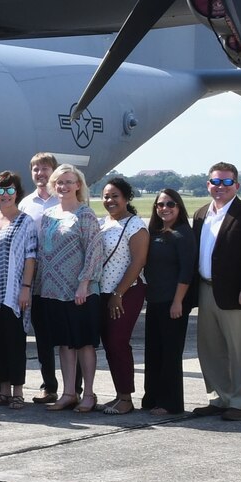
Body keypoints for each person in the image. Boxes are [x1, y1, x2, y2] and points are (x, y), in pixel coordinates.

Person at [192, 163, 241, 421]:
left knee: (239, 350)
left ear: (237, 186)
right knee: (210, 348)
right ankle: (220, 397)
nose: (220, 187)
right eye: (215, 182)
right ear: (208, 184)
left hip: (237, 293)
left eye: (226, 183)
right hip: (206, 288)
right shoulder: (201, 214)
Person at [31, 164, 104, 413]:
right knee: (64, 344)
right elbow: (43, 253)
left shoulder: (85, 215)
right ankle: (68, 392)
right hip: (53, 291)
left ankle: (90, 394)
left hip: (80, 291)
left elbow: (94, 252)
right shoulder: (49, 215)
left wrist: (84, 283)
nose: (63, 186)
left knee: (84, 343)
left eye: (69, 182)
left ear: (78, 185)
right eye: (59, 182)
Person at [0, 170, 36, 407]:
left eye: (10, 190)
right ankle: (1, 390)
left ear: (17, 193)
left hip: (14, 292)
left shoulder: (26, 221)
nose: (5, 195)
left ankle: (18, 391)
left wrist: (25, 288)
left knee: (15, 341)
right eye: (0, 190)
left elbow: (31, 258)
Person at [95, 178, 150, 414]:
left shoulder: (135, 225)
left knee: (118, 342)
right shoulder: (102, 224)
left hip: (127, 291)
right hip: (103, 292)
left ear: (127, 198)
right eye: (106, 196)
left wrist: (119, 293)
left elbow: (138, 262)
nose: (110, 201)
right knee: (109, 345)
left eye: (115, 196)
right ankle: (120, 395)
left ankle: (126, 398)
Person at [141, 188, 198, 418]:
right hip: (154, 301)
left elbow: (187, 271)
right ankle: (152, 397)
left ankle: (171, 402)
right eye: (160, 205)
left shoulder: (183, 234)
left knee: (170, 354)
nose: (165, 208)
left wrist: (178, 302)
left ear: (179, 207)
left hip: (172, 302)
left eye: (170, 204)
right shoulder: (154, 232)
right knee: (153, 352)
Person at [21, 152, 62, 403]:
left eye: (45, 168)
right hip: (36, 276)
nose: (40, 173)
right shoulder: (26, 204)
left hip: (62, 276)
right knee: (43, 335)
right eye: (35, 169)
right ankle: (49, 385)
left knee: (67, 335)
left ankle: (74, 389)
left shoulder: (65, 199)